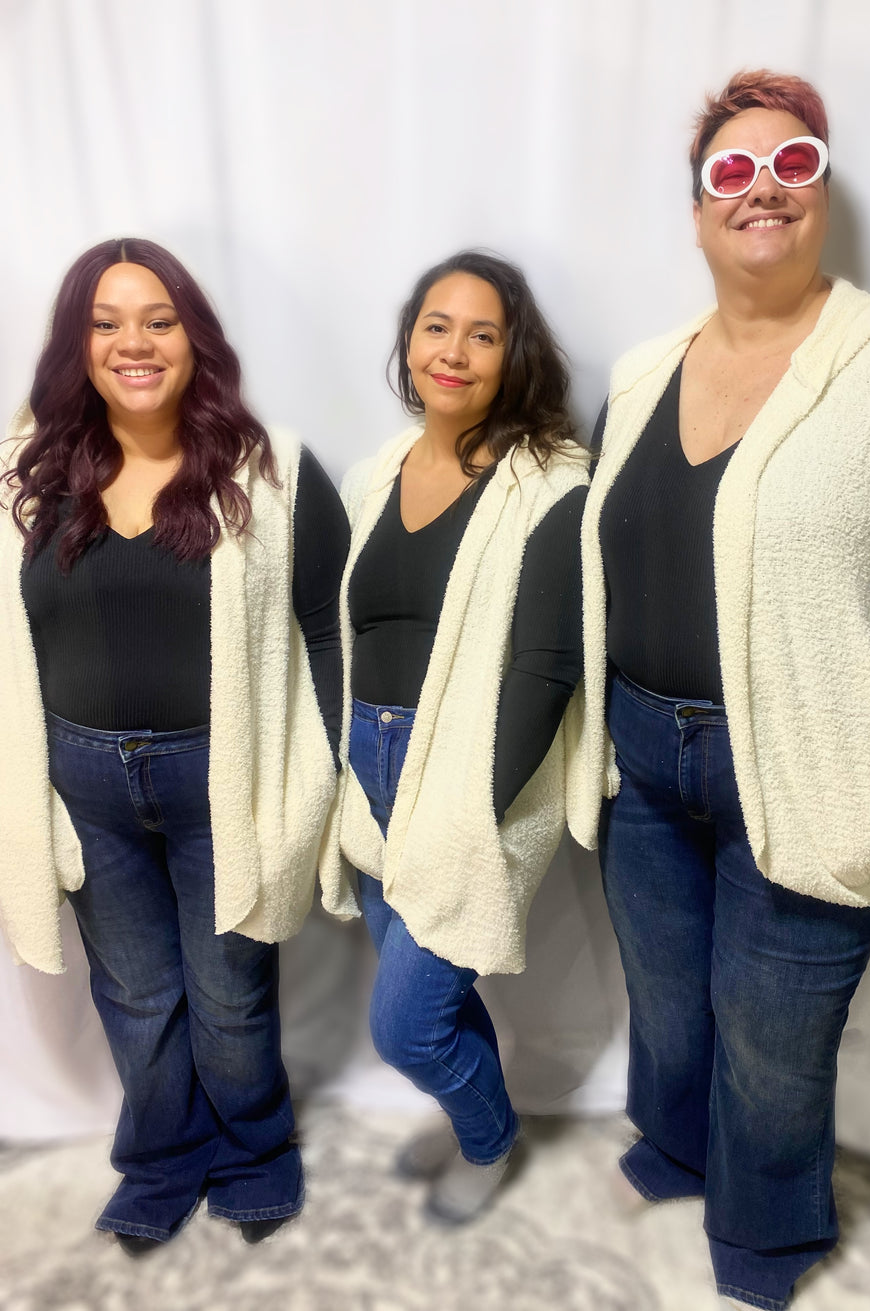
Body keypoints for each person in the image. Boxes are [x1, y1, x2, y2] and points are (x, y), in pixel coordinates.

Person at [567, 71, 870, 1310]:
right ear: (697, 213)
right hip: (642, 755)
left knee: (773, 1033)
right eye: (732, 170)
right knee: (668, 1000)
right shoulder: (642, 375)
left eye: (793, 163)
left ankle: (763, 1242)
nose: (762, 187)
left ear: (821, 195)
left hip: (807, 759)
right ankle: (675, 1150)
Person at [0, 238, 352, 1253]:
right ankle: (162, 1158)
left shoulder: (270, 470)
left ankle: (255, 1152)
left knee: (229, 994)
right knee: (136, 994)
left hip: (220, 782)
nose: (135, 342)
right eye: (106, 322)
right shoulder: (25, 475)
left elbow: (326, 626)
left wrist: (330, 767)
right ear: (76, 345)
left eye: (159, 319)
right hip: (82, 783)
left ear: (194, 335)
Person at [322, 250, 588, 1223]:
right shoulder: (374, 476)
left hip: (473, 778)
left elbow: (547, 666)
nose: (455, 350)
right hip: (369, 770)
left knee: (406, 1026)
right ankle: (472, 1112)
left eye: (484, 334)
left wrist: (472, 804)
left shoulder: (549, 484)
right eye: (437, 326)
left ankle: (489, 1139)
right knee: (432, 1005)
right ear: (409, 341)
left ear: (514, 356)